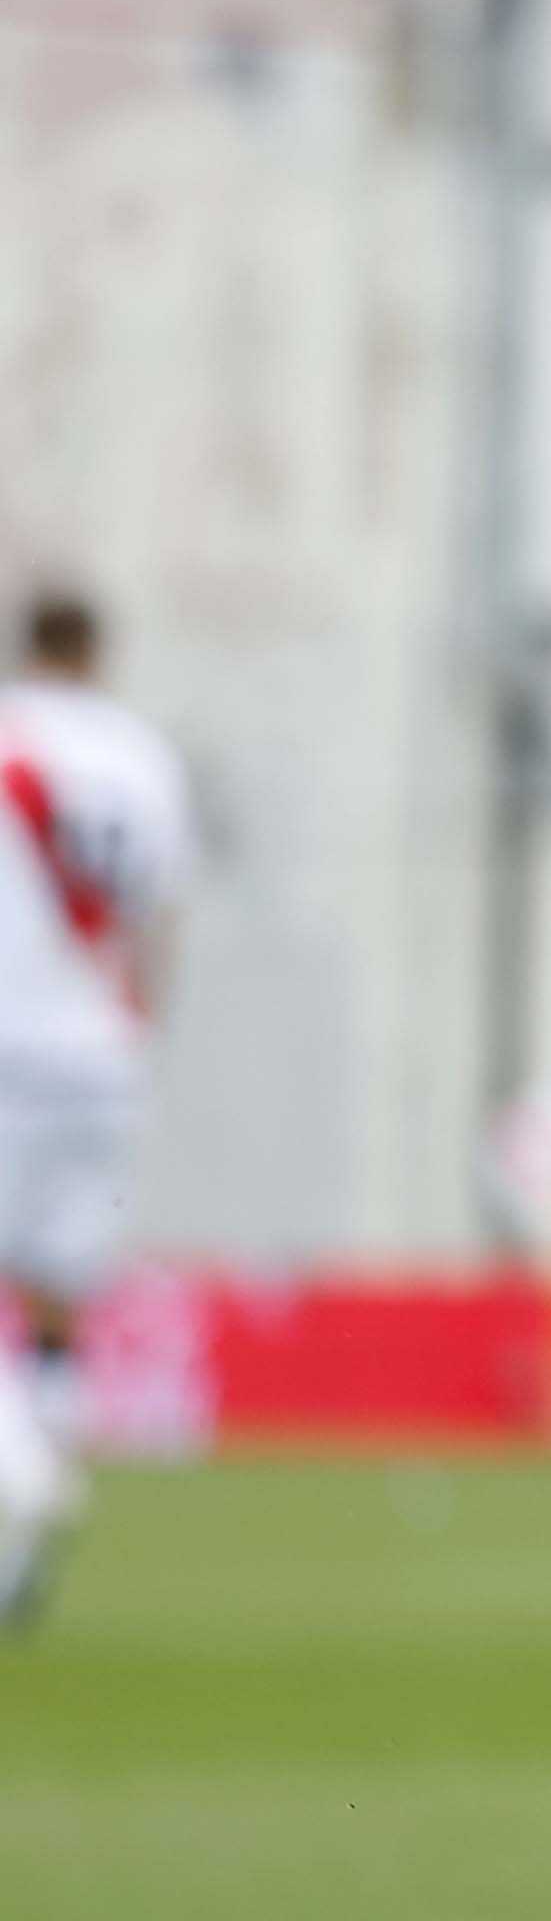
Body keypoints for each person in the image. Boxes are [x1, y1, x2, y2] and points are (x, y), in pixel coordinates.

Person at [0, 587, 188, 1629]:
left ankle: (22, 1468)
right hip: (105, 1053)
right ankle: (30, 1529)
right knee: (58, 1300)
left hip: (9, 1041)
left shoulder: (13, 739)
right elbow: (160, 918)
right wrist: (138, 1031)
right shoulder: (143, 759)